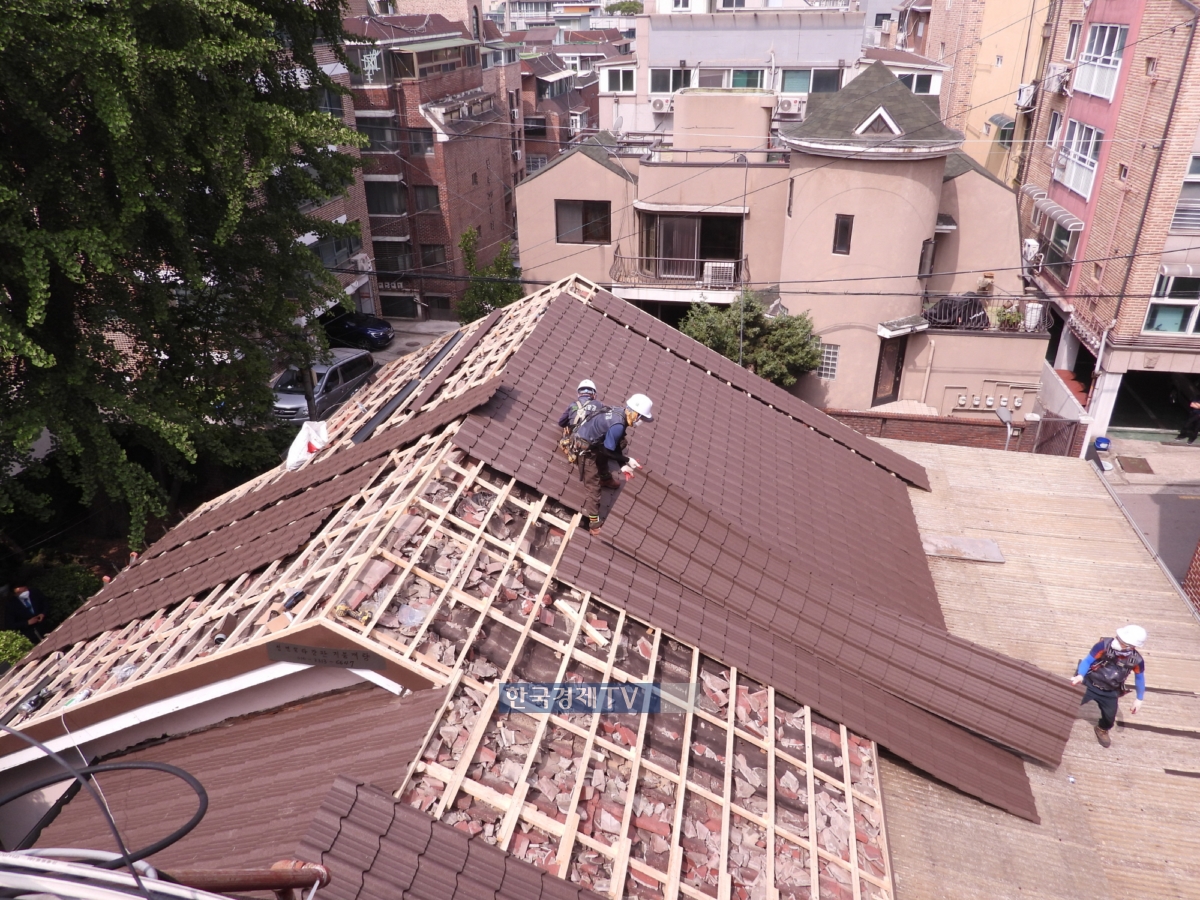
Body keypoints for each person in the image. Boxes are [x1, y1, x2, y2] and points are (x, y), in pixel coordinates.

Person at [572, 393, 654, 535]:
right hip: (584, 448)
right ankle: (593, 522)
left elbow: (614, 445)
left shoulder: (620, 413)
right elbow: (607, 450)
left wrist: (622, 464)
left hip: (594, 441)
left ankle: (606, 478)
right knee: (593, 487)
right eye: (641, 417)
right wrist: (627, 460)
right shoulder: (618, 425)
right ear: (635, 413)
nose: (641, 421)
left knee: (620, 443)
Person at [1071, 624, 1147, 748]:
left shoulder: (1137, 661)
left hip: (1110, 691)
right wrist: (1080, 675)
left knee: (1109, 717)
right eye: (1118, 638)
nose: (1117, 642)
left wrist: (1139, 699)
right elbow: (1087, 661)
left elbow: (1139, 678)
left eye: (1122, 642)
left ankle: (1102, 729)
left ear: (1132, 646)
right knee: (1070, 703)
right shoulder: (1103, 645)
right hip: (1090, 683)